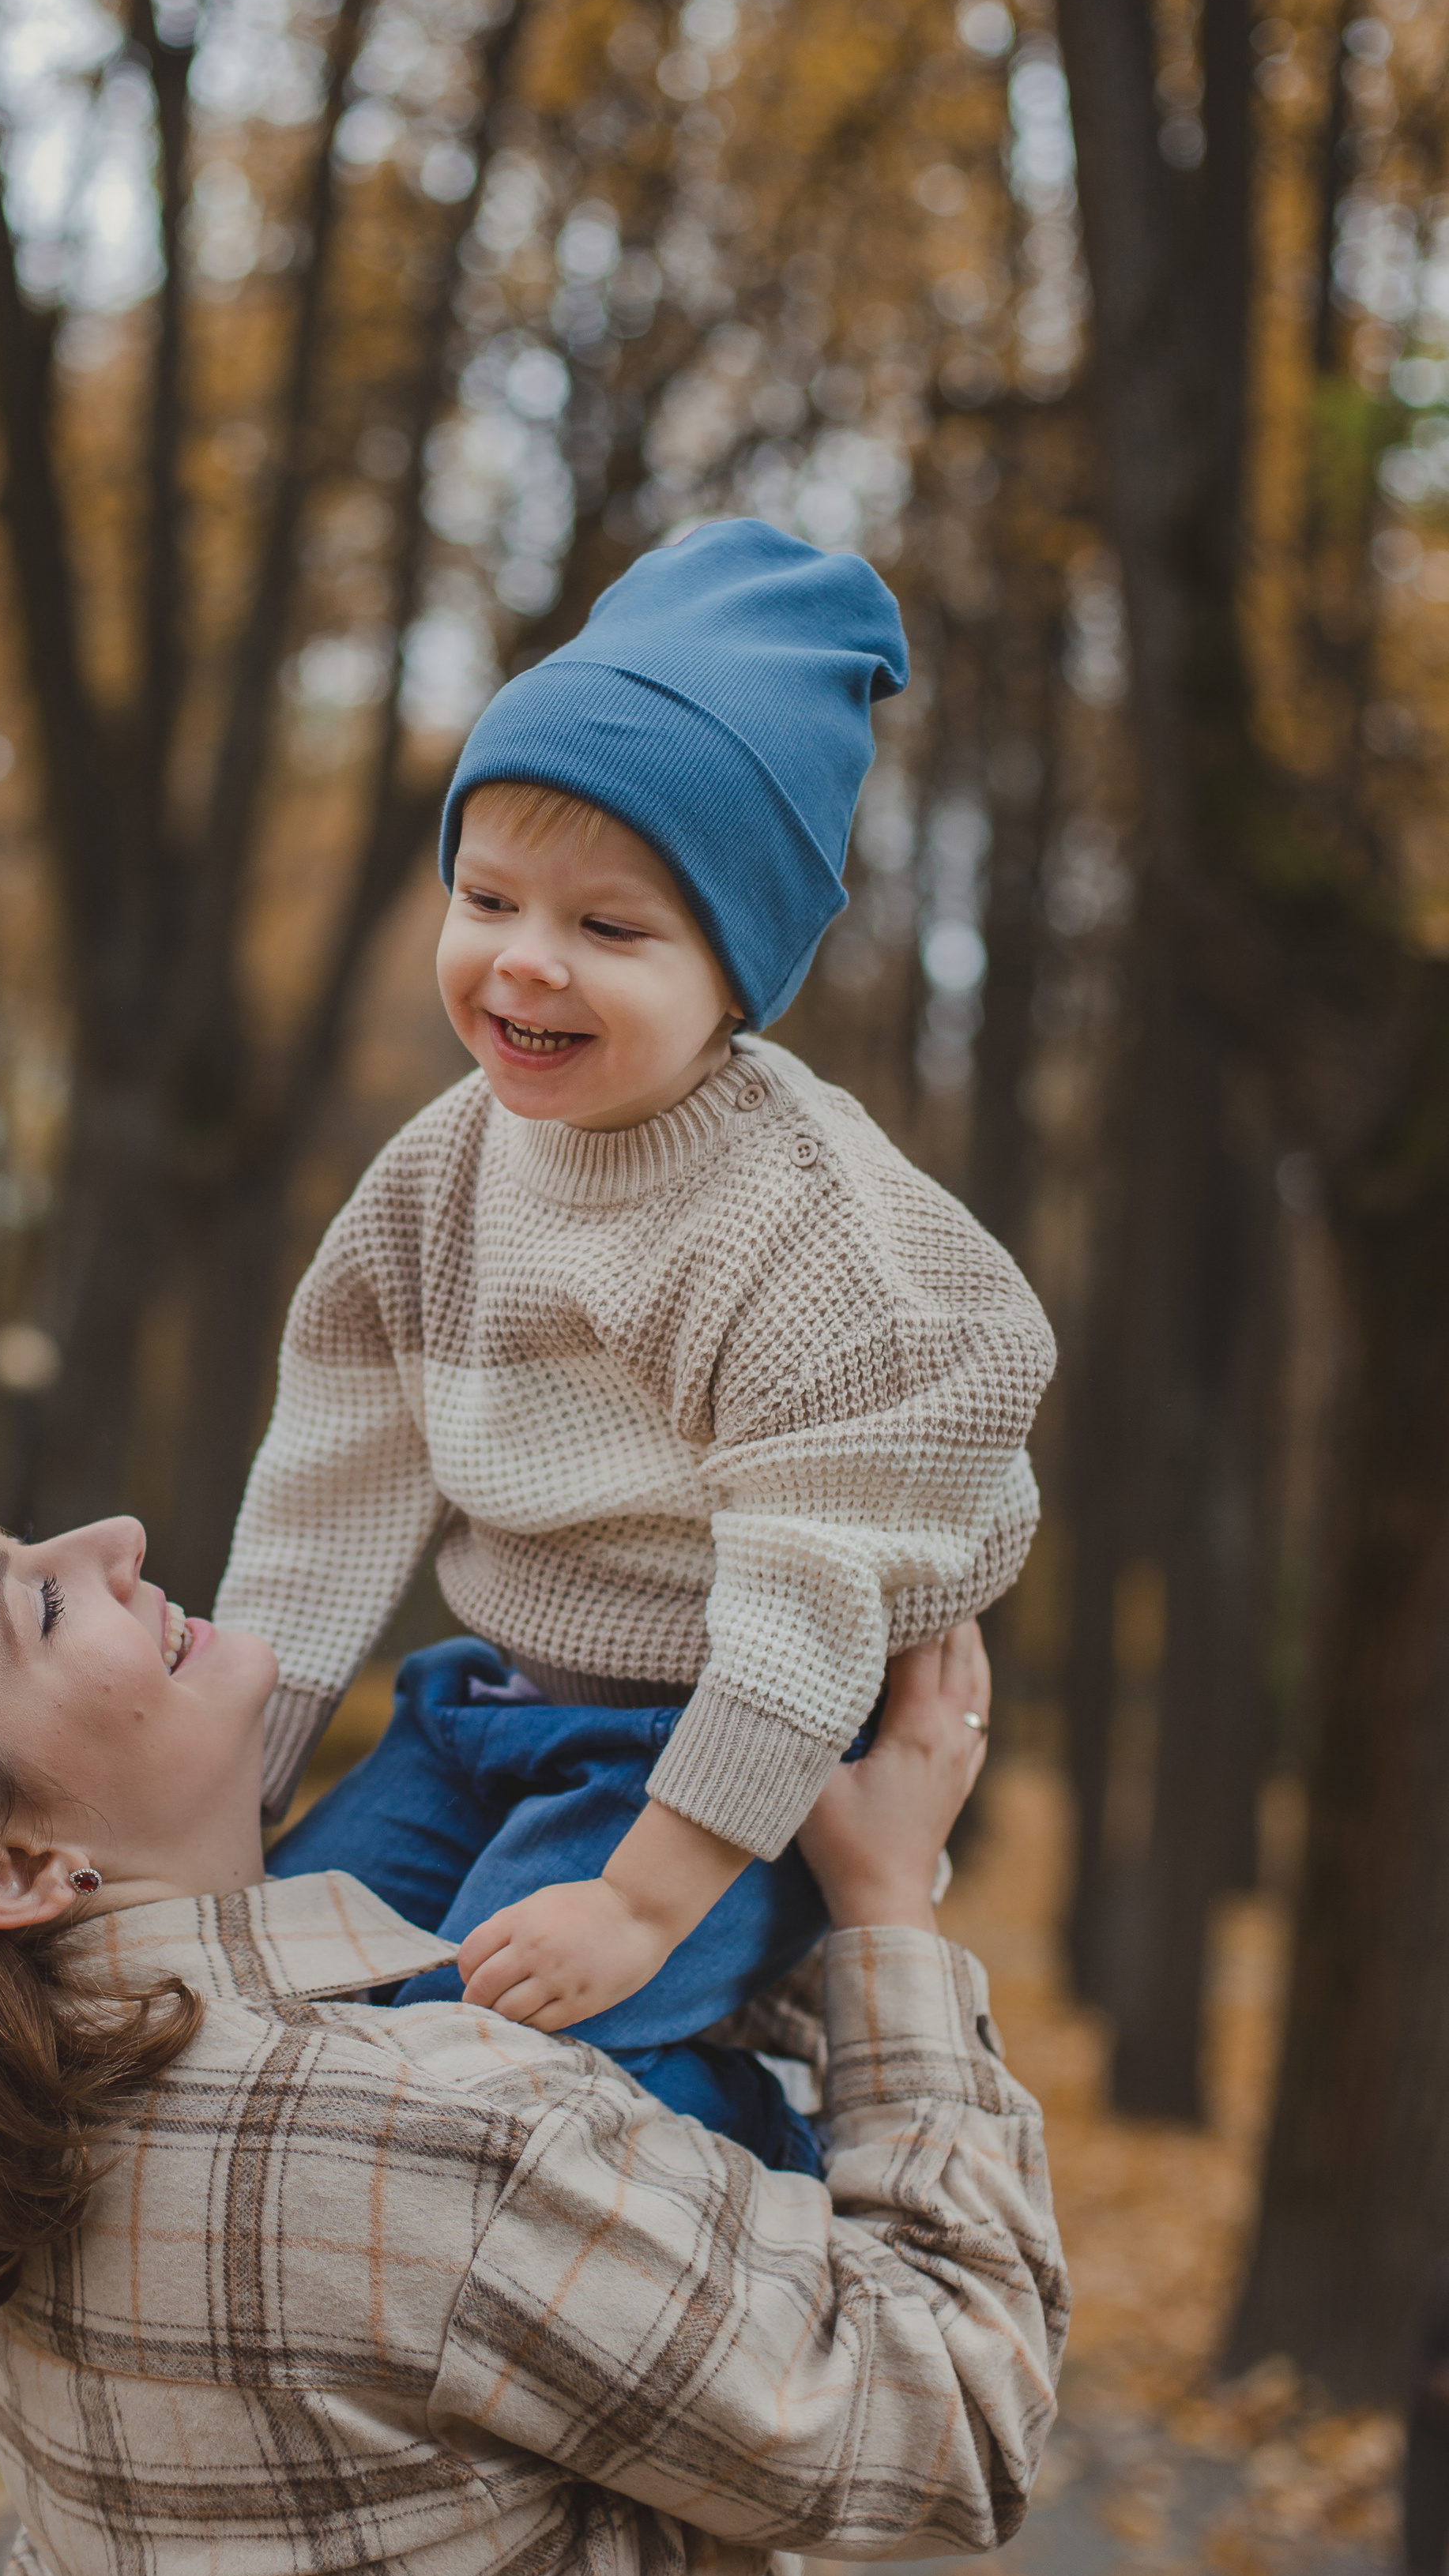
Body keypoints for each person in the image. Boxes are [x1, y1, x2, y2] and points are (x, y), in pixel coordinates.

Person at [0, 1481, 1066, 2576]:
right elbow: (962, 2418)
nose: (112, 1536)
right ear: (9, 1865)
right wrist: (885, 1912)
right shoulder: (429, 2136)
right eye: (40, 1604)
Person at [214, 520, 1056, 2167]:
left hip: (716, 1746)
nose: (524, 956)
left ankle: (742, 2155)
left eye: (609, 930)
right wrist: (233, 1780)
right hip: (487, 1705)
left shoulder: (799, 1234)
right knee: (274, 1983)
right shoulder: (438, 1177)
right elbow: (328, 1491)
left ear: (734, 976)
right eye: (488, 895)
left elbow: (803, 1605)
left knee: (482, 2053)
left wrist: (639, 1902)